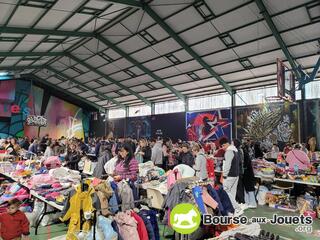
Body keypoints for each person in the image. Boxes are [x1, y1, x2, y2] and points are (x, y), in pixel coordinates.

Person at [219, 137, 243, 216]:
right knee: (232, 193)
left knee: (226, 192)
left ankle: (237, 208)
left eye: (222, 146)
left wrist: (224, 175)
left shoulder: (229, 151)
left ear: (225, 144)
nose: (222, 148)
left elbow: (227, 165)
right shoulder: (235, 150)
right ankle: (234, 210)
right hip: (236, 175)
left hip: (229, 175)